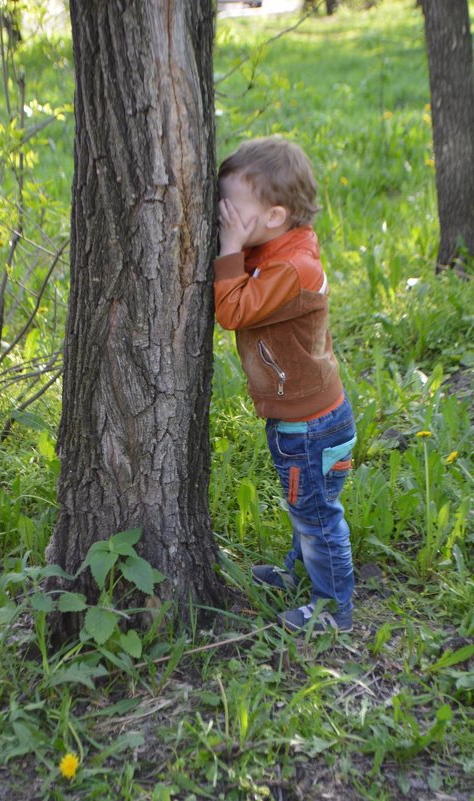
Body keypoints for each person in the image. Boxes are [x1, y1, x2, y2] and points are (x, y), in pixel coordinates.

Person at [214, 136, 357, 634]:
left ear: (275, 215)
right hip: (308, 420)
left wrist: (229, 250)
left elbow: (231, 311)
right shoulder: (280, 246)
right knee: (309, 511)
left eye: (234, 209)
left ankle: (332, 608)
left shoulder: (291, 269)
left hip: (310, 427)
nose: (223, 217)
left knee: (318, 518)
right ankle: (302, 572)